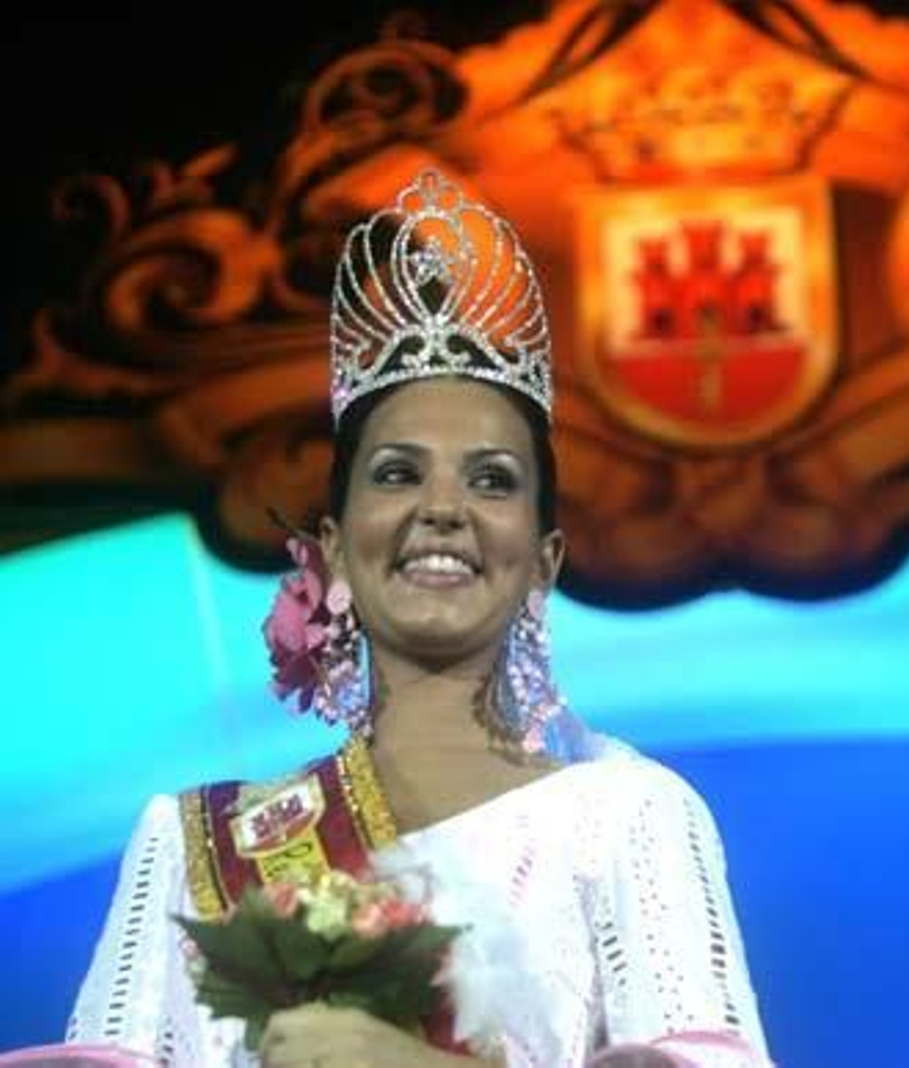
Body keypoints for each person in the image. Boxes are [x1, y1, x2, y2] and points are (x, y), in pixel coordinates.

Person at [63, 170, 772, 1067]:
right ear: (335, 544)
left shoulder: (627, 817)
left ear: (542, 561)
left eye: (491, 480)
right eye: (398, 474)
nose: (443, 508)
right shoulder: (195, 843)